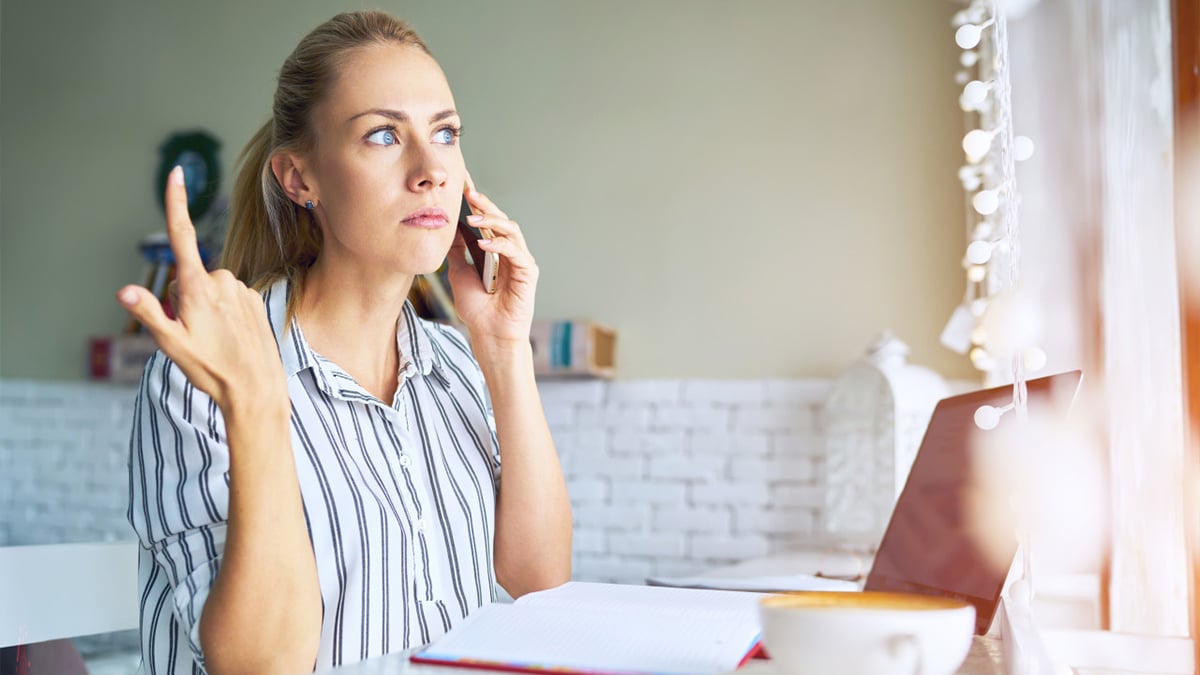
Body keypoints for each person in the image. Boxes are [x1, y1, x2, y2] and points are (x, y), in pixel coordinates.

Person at [117, 10, 572, 674]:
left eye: (445, 133)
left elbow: (541, 583)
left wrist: (504, 350)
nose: (430, 170)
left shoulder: (456, 363)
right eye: (384, 135)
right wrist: (260, 406)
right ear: (299, 178)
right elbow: (258, 664)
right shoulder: (205, 372)